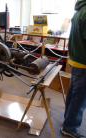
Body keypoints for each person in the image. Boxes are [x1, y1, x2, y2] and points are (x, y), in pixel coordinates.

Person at [60, 0, 86, 138]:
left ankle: (67, 118)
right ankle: (70, 127)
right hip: (83, 62)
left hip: (75, 60)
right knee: (80, 97)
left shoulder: (79, 12)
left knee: (73, 92)